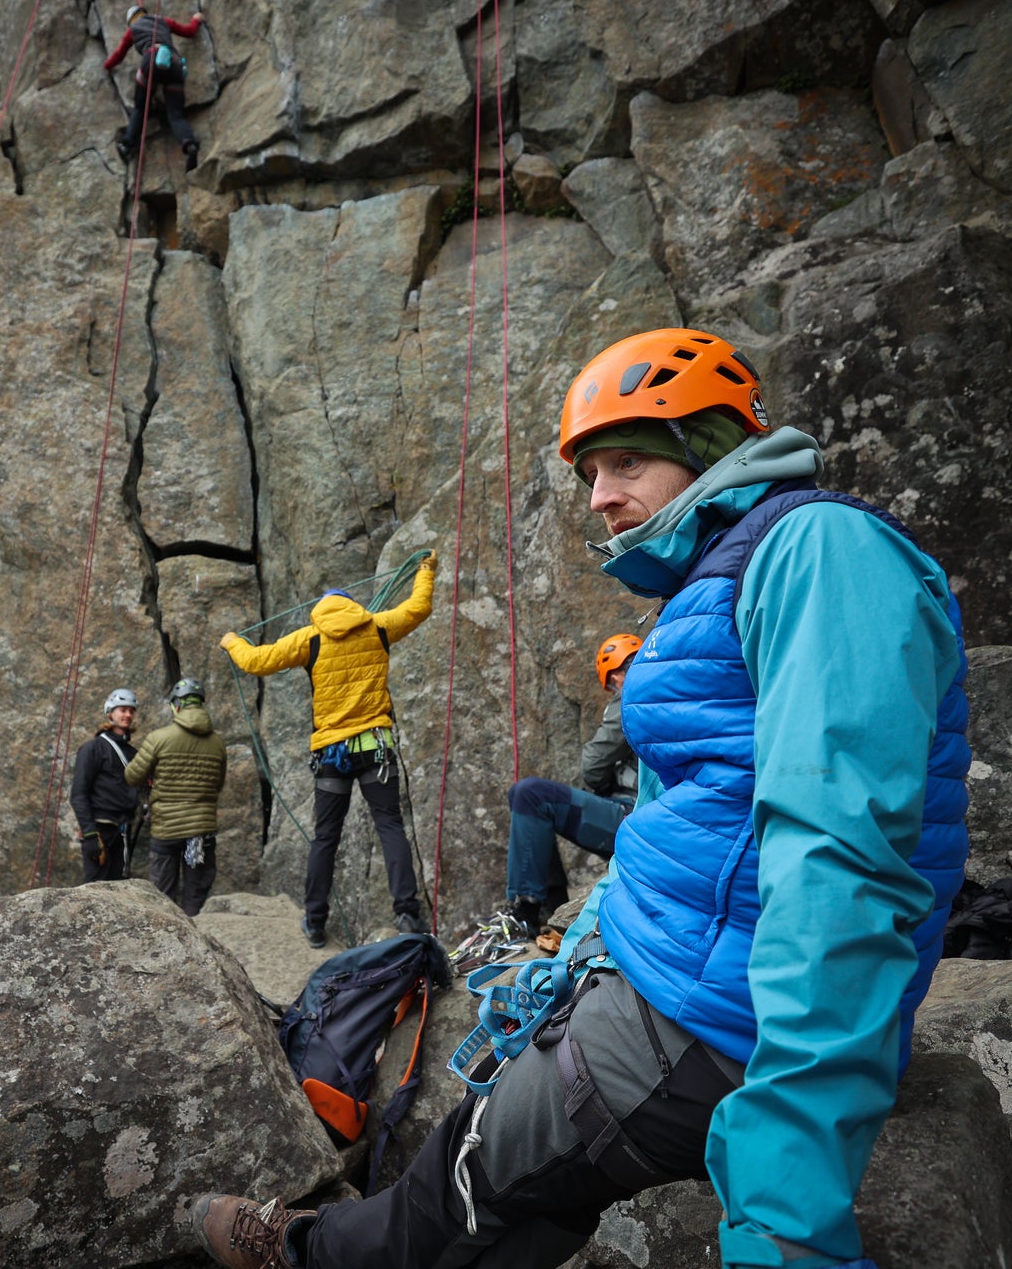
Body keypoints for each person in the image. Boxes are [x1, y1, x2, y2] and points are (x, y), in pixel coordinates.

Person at [192, 327, 970, 1269]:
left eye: (628, 460)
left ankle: (306, 1252)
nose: (600, 496)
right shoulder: (742, 566)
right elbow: (702, 810)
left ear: (713, 443)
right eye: (591, 472)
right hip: (685, 977)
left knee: (464, 1167)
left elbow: (839, 857)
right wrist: (597, 926)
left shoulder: (819, 550)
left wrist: (786, 1204)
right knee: (522, 1199)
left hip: (708, 1019)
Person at [220, 553, 438, 945]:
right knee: (390, 827)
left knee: (326, 837)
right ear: (352, 607)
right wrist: (425, 572)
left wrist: (232, 641)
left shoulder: (311, 638)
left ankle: (315, 920)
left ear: (319, 612)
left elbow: (255, 660)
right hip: (375, 747)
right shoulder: (377, 627)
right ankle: (407, 914)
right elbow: (418, 608)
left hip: (332, 754)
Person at [499, 633, 642, 934]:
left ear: (616, 674)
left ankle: (527, 908)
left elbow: (593, 764)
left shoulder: (633, 693)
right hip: (645, 814)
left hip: (633, 815)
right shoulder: (668, 694)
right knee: (533, 800)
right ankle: (553, 909)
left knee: (530, 795)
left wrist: (604, 786)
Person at [124, 677, 228, 915]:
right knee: (196, 896)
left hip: (166, 830)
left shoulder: (159, 738)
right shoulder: (218, 744)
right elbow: (218, 784)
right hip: (201, 832)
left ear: (176, 705)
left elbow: (132, 777)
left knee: (162, 895)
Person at [102, 4, 204, 170]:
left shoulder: (132, 30)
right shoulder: (163, 21)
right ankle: (189, 145)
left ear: (130, 21)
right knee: (176, 115)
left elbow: (118, 55)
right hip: (174, 64)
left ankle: (127, 145)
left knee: (141, 108)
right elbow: (189, 32)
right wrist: (196, 20)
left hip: (151, 61)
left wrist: (106, 66)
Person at [70, 687, 144, 882]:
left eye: (131, 711)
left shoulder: (133, 753)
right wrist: (90, 833)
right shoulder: (93, 749)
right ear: (111, 712)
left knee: (119, 887)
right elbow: (78, 794)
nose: (128, 715)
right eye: (122, 710)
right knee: (95, 889)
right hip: (99, 829)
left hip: (122, 830)